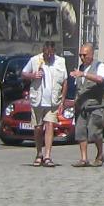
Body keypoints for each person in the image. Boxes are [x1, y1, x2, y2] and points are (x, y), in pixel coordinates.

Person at [21, 38, 69, 167]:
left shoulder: (60, 62)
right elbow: (23, 73)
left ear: (54, 52)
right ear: (43, 52)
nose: (49, 56)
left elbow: (65, 82)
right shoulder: (34, 60)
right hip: (38, 100)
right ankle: (39, 153)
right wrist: (33, 75)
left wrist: (62, 101)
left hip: (53, 101)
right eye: (46, 54)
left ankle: (47, 155)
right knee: (38, 127)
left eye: (51, 54)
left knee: (49, 125)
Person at [70, 44, 104, 166]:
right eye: (80, 55)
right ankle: (83, 158)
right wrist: (74, 102)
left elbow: (101, 79)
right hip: (81, 106)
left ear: (91, 54)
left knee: (95, 132)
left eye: (84, 55)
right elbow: (79, 88)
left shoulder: (99, 66)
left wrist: (84, 74)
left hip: (95, 106)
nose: (82, 57)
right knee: (80, 132)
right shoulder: (80, 67)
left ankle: (100, 154)